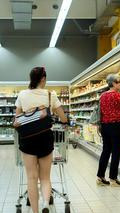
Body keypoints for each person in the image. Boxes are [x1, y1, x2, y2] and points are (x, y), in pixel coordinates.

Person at [15, 67, 68, 213]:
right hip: (45, 138)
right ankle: (45, 202)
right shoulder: (51, 95)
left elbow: (17, 119)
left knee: (31, 178)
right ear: (43, 78)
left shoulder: (22, 94)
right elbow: (63, 117)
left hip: (28, 139)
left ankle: (35, 211)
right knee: (45, 177)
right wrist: (63, 121)